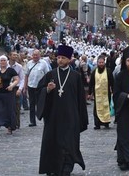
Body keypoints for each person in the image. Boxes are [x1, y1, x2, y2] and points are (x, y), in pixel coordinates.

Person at [36, 45, 88, 175]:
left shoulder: (76, 76)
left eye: (63, 58)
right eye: (58, 57)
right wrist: (47, 90)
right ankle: (52, 167)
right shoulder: (50, 75)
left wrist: (81, 118)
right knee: (53, 142)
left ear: (69, 59)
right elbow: (39, 91)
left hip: (71, 116)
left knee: (69, 143)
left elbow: (81, 99)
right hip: (53, 116)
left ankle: (66, 167)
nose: (60, 60)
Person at [24, 49, 50, 127]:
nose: (35, 56)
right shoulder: (29, 63)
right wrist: (25, 86)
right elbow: (26, 75)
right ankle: (32, 121)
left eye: (36, 55)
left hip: (41, 87)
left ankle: (46, 120)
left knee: (42, 103)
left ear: (40, 55)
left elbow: (47, 75)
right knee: (32, 104)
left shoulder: (44, 63)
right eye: (34, 55)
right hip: (31, 86)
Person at [0, 55, 19, 135]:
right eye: (1, 61)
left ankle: (9, 126)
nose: (3, 62)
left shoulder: (10, 70)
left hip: (7, 93)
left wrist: (12, 86)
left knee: (8, 111)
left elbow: (17, 79)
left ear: (6, 61)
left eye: (4, 60)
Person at [89, 55, 114, 129]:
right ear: (97, 63)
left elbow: (112, 82)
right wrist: (90, 93)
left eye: (102, 62)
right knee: (97, 109)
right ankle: (97, 124)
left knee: (106, 108)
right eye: (99, 62)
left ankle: (106, 123)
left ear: (104, 63)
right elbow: (91, 83)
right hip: (97, 94)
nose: (101, 64)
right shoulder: (94, 72)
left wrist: (113, 90)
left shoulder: (108, 71)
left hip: (106, 94)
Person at [9, 51, 25, 129]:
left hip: (16, 88)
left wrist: (20, 89)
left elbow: (22, 79)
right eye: (13, 55)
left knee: (17, 106)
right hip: (6, 88)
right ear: (9, 56)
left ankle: (16, 123)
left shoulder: (19, 67)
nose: (15, 56)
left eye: (16, 55)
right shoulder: (3, 65)